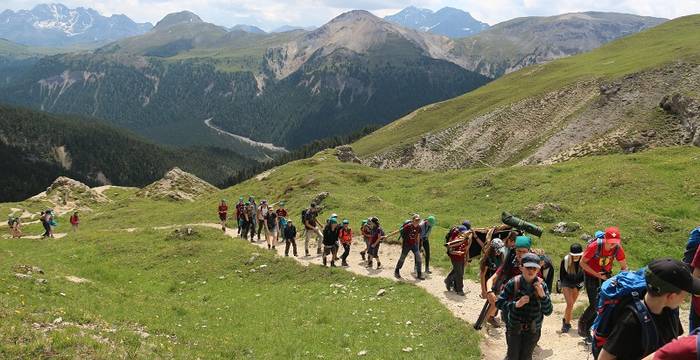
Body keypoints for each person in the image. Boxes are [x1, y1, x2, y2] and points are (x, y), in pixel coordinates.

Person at [597, 258, 698, 360]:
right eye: (686, 294)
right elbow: (604, 358)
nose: (686, 298)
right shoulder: (630, 322)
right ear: (671, 296)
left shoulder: (670, 311)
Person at [497, 253, 553, 360]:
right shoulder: (513, 283)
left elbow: (548, 311)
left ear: (538, 269)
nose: (531, 271)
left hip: (533, 331)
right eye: (528, 267)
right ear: (521, 268)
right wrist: (515, 305)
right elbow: (499, 303)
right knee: (512, 356)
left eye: (534, 268)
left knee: (526, 357)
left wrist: (543, 296)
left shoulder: (542, 286)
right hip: (514, 329)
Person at [578, 226, 629, 339]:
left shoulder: (617, 248)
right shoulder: (594, 246)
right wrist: (596, 274)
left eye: (615, 242)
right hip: (591, 275)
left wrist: (621, 278)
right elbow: (582, 263)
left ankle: (596, 329)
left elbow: (624, 267)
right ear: (605, 239)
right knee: (595, 304)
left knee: (606, 303)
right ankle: (584, 324)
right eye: (611, 242)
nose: (613, 245)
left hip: (606, 275)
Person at [486, 235, 533, 326]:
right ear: (515, 250)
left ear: (529, 251)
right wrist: (489, 291)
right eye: (518, 251)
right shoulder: (510, 262)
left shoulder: (532, 265)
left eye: (524, 252)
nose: (521, 254)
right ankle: (488, 319)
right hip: (509, 296)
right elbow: (491, 279)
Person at [480, 238, 506, 327]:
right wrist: (483, 290)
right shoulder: (487, 259)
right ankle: (483, 321)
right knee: (494, 303)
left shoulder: (500, 257)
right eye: (498, 250)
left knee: (496, 303)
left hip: (498, 284)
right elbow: (482, 275)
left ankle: (489, 318)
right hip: (489, 285)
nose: (499, 252)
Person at [559, 243, 585, 333]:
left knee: (571, 304)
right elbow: (562, 275)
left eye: (578, 255)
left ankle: (565, 319)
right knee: (570, 303)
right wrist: (562, 285)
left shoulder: (585, 260)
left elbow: (585, 275)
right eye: (574, 255)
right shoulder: (565, 260)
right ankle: (566, 324)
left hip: (578, 283)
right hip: (567, 281)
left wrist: (579, 285)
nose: (576, 257)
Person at [395, 214, 425, 280]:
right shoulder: (408, 226)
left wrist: (418, 246)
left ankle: (419, 274)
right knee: (402, 257)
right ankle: (397, 271)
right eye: (416, 220)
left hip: (414, 245)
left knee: (419, 259)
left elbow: (418, 236)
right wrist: (387, 236)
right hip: (406, 245)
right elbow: (399, 231)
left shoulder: (419, 227)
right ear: (413, 220)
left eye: (418, 220)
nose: (417, 221)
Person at [445, 225, 470, 295]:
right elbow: (450, 251)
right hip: (455, 258)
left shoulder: (466, 239)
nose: (464, 234)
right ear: (459, 232)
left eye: (465, 232)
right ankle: (460, 290)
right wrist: (457, 253)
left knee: (458, 272)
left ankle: (448, 281)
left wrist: (466, 259)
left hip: (462, 258)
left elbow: (467, 250)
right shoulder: (455, 240)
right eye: (463, 232)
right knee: (459, 274)